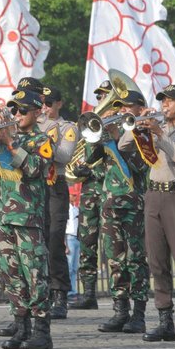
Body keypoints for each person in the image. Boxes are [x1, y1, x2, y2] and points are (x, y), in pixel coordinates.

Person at [119, 84, 175, 343]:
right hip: (154, 195)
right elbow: (124, 145)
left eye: (170, 100)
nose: (164, 105)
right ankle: (165, 320)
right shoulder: (157, 124)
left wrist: (161, 135)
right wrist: (136, 124)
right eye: (163, 100)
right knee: (156, 261)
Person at [0, 90, 54, 349]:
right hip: (5, 216)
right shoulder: (7, 137)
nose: (18, 115)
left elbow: (34, 168)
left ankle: (42, 330)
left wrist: (11, 140)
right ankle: (21, 326)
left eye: (23, 111)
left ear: (36, 112)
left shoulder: (42, 139)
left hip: (29, 217)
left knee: (35, 274)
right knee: (11, 274)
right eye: (15, 111)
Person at [97, 90, 150, 334]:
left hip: (133, 204)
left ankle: (138, 313)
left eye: (128, 107)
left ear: (140, 109)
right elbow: (89, 160)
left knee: (135, 259)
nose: (123, 111)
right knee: (115, 259)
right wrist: (99, 135)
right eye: (120, 107)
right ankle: (120, 310)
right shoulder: (111, 133)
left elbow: (141, 167)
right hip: (110, 203)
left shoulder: (144, 133)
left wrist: (121, 139)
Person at [69, 80, 111, 310]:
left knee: (115, 247)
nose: (100, 101)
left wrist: (92, 169)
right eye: (98, 97)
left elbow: (116, 166)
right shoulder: (89, 129)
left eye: (104, 97)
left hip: (109, 192)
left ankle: (121, 297)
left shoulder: (114, 130)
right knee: (87, 243)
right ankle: (89, 293)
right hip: (89, 194)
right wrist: (78, 169)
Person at [38, 85, 79, 319]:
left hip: (55, 186)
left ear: (59, 104)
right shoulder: (30, 124)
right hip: (33, 186)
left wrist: (39, 141)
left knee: (54, 241)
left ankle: (60, 294)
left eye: (49, 103)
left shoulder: (67, 128)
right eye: (42, 103)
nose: (45, 108)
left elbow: (64, 155)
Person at [65, 192, 80, 300]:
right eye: (72, 195)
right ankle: (68, 291)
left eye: (75, 195)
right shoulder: (66, 208)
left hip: (76, 238)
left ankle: (73, 291)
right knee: (69, 267)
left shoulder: (75, 208)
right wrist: (64, 243)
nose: (74, 197)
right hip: (69, 237)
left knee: (75, 267)